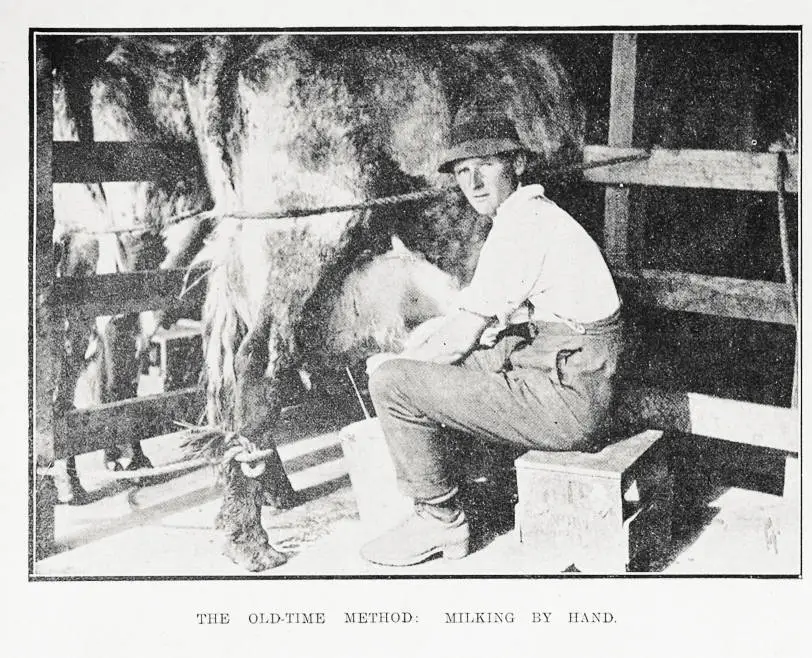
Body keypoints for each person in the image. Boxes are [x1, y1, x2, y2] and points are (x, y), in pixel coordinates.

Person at [361, 110, 624, 566]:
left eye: (485, 164)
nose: (474, 181)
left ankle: (440, 520)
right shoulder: (530, 216)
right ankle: (462, 490)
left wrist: (396, 362)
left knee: (393, 385)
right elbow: (482, 320)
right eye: (462, 171)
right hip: (561, 371)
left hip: (569, 400)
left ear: (517, 164)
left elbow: (459, 337)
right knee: (447, 364)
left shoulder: (524, 226)